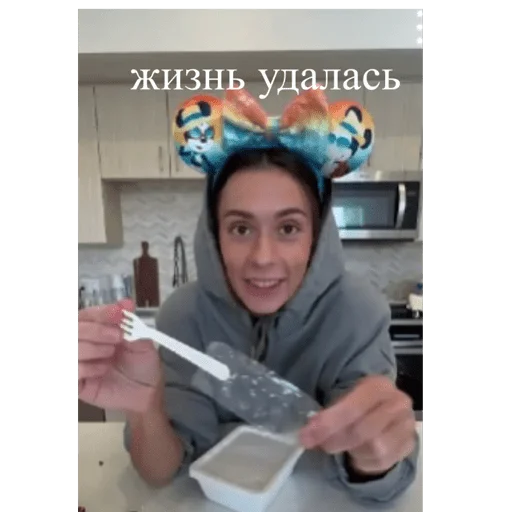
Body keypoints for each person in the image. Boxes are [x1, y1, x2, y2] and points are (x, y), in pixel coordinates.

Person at [78, 87, 419, 506]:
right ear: (215, 236)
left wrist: (373, 457)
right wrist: (143, 407)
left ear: (315, 238)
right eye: (241, 228)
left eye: (288, 228)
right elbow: (160, 471)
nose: (262, 257)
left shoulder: (358, 313)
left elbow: (383, 479)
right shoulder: (183, 317)